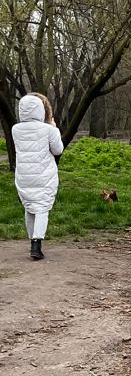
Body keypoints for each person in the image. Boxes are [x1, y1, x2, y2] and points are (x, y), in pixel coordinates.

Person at [12, 93, 63, 261]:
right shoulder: (49, 130)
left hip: (23, 175)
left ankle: (32, 241)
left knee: (29, 206)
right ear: (40, 109)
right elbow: (58, 150)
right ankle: (36, 244)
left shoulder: (15, 129)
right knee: (42, 208)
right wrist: (54, 128)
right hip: (44, 175)